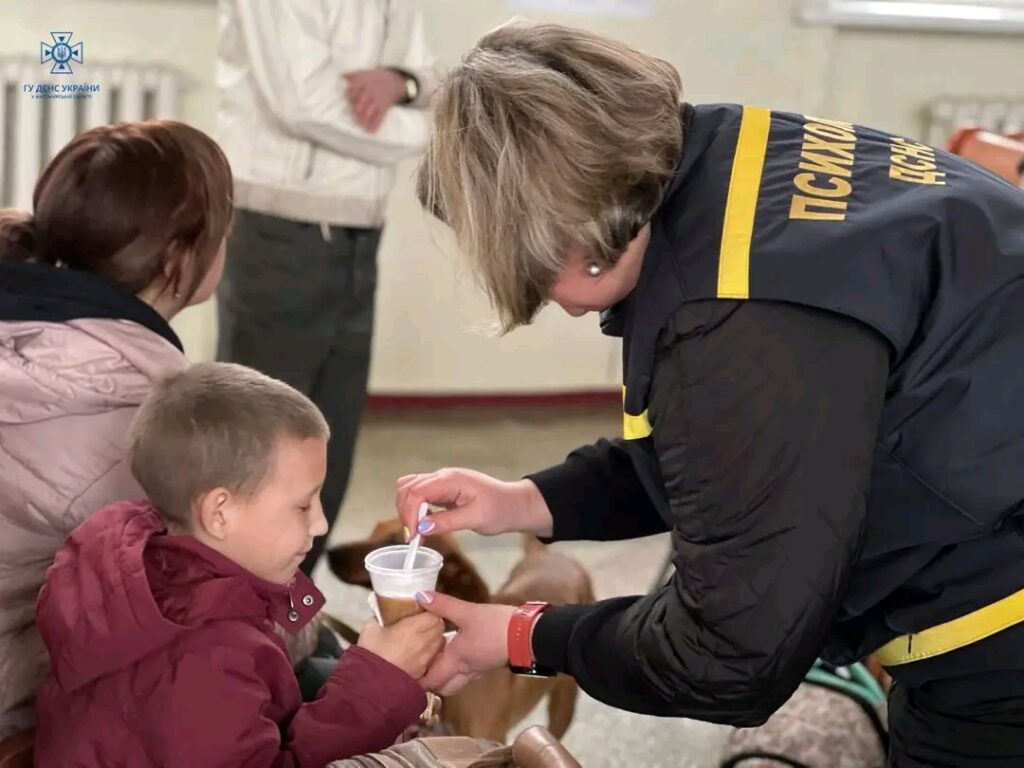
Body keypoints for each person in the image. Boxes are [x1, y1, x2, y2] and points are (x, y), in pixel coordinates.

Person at [396, 21, 1024, 767]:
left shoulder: (737, 319)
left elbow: (730, 653)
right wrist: (524, 501)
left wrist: (522, 635)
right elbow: (730, 459)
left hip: (996, 636)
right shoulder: (733, 159)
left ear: (563, 231)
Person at [34, 363, 445, 767]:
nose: (320, 524)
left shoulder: (154, 562)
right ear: (220, 513)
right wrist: (378, 681)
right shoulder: (203, 661)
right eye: (303, 505)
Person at [0, 120, 232, 740]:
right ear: (180, 258)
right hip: (22, 697)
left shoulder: (22, 325)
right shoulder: (152, 418)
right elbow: (206, 604)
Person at [216, 0, 440, 575]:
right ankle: (237, 611)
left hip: (361, 230)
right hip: (281, 228)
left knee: (326, 445)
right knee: (262, 450)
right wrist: (426, 124)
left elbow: (429, 77)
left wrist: (402, 82)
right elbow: (305, 106)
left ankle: (294, 605)